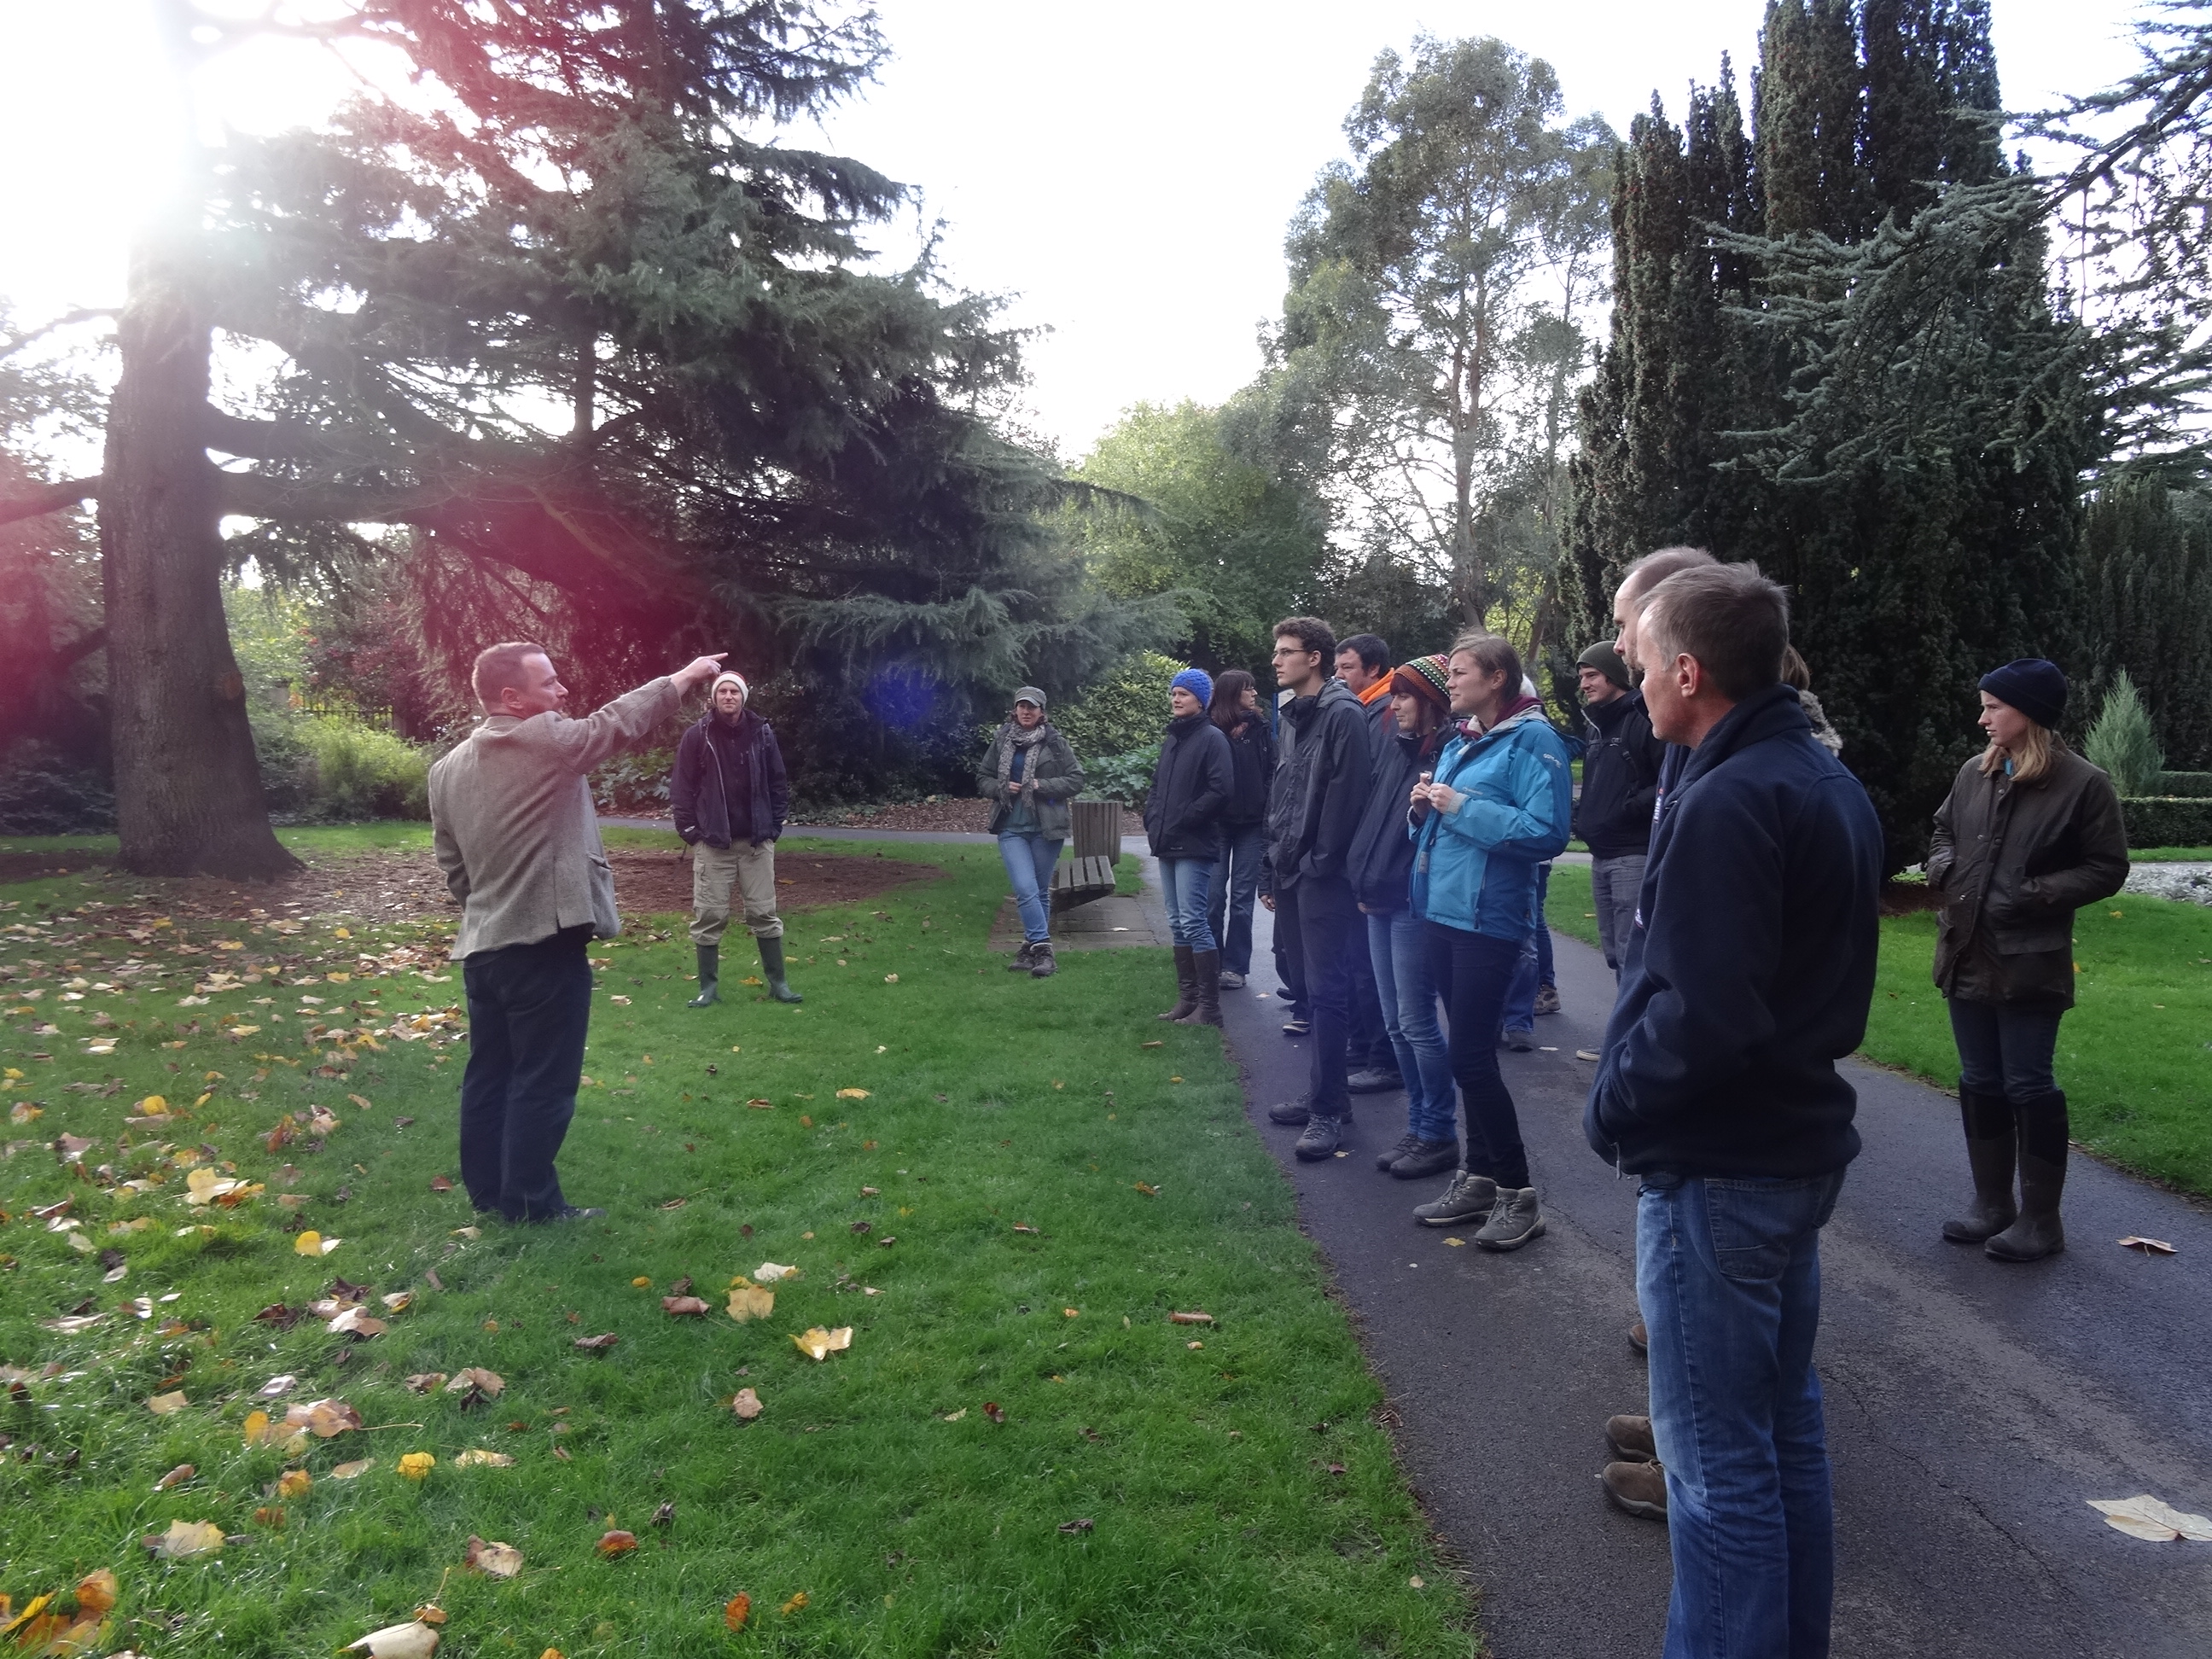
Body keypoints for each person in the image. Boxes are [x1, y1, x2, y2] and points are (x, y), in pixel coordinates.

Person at [1583, 562, 1882, 1656]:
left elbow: (1708, 1016)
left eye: (1644, 659)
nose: (1633, 673)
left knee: (1715, 1473)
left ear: (1689, 671)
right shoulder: (1812, 775)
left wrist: (1614, 1106)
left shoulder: (1729, 796)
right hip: (1792, 1149)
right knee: (1781, 1437)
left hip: (1725, 1166)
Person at [430, 641, 728, 1222]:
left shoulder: (445, 770)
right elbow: (616, 723)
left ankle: (491, 1197)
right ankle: (533, 1207)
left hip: (483, 951)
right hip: (544, 947)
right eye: (549, 683)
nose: (562, 692)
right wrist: (686, 675)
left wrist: (492, 909)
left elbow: (453, 868)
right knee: (544, 1082)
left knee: (490, 1075)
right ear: (511, 698)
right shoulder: (543, 739)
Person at [1927, 658, 2127, 1263]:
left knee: (2028, 1084)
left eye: (1994, 706)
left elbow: (2107, 867)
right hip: (1965, 951)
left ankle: (2043, 1221)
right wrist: (1946, 869)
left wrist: (2032, 896)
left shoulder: (2083, 784)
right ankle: (1993, 1206)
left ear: (2030, 713)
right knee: (1979, 1080)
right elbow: (1941, 832)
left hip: (2029, 963)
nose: (1982, 716)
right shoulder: (1973, 773)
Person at [1406, 634, 1572, 1246]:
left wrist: (1459, 806)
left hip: (1490, 922)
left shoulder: (1535, 740)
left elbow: (1548, 832)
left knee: (1470, 1059)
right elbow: (1438, 828)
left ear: (1497, 677)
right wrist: (1423, 809)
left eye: (1461, 673)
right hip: (1443, 914)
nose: (1450, 683)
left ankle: (1519, 1193)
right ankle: (1477, 1179)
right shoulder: (1464, 741)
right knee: (1465, 1054)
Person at [1260, 617, 1375, 1158]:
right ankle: (1323, 1095)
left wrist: (1314, 865)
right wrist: (1274, 862)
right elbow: (1284, 793)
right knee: (1309, 988)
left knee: (1328, 993)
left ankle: (1330, 1111)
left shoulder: (1342, 714)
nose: (1277, 661)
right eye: (1276, 652)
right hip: (1291, 869)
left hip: (1320, 878)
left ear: (1315, 658)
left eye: (1286, 652)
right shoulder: (1292, 715)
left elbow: (1345, 800)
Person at [1347, 654, 1459, 1179]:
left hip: (1413, 901)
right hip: (1379, 898)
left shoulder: (1449, 753)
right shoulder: (1396, 749)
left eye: (1405, 695)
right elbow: (1375, 822)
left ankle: (1437, 1131)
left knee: (1416, 1022)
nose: (1395, 705)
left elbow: (1424, 841)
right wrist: (1363, 880)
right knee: (1395, 1025)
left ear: (1431, 701)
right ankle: (1418, 1127)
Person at [671, 672, 799, 1007]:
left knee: (764, 914)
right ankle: (708, 989)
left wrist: (774, 826)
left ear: (743, 697)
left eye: (734, 692)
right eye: (723, 691)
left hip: (756, 844)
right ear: (714, 698)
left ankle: (779, 984)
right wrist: (689, 832)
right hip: (714, 845)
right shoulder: (697, 736)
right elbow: (682, 788)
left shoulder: (762, 734)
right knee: (709, 915)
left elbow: (778, 782)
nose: (729, 696)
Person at [1145, 667, 1235, 1027]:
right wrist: (1154, 819)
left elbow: (1221, 791)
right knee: (1177, 923)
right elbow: (1156, 788)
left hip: (1194, 844)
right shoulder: (1173, 739)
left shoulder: (1212, 738)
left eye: (1183, 694)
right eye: (1173, 693)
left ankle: (1209, 1009)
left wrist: (1183, 819)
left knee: (1194, 922)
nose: (1176, 699)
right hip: (1168, 842)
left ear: (1201, 699)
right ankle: (1188, 1000)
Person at [979, 688, 1086, 981]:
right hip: (1010, 826)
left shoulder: (1055, 742)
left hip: (1046, 827)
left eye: (1032, 707)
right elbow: (983, 778)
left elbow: (1076, 780)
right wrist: (1001, 788)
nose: (1026, 711)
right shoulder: (1002, 739)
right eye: (1021, 706)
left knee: (1038, 892)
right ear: (1015, 710)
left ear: (1042, 712)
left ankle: (1028, 950)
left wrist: (1040, 785)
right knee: (1026, 889)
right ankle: (1044, 950)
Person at [1336, 633, 1403, 1091]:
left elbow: (1372, 791)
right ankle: (1362, 1045)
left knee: (1370, 964)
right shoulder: (1363, 711)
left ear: (1373, 671)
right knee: (1354, 959)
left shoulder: (1387, 716)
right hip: (1356, 855)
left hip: (1373, 859)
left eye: (1347, 668)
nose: (1339, 677)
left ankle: (1383, 1057)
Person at [1575, 638, 1664, 975]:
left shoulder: (1643, 720)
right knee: (1614, 953)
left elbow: (1668, 780)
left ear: (1614, 675)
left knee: (1632, 957)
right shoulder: (1596, 726)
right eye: (1582, 677)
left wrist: (1627, 809)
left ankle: (1634, 1026)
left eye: (1592, 675)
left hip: (1632, 854)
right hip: (1601, 854)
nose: (1584, 684)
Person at [1205, 670, 1274, 990]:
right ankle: (1210, 961)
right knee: (1214, 897)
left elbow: (1273, 769)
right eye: (1248, 689)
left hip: (1252, 825)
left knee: (1243, 899)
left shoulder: (1261, 728)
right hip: (1217, 824)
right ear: (1233, 693)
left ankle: (1235, 967)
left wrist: (1267, 801)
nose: (1254, 693)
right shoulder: (1209, 729)